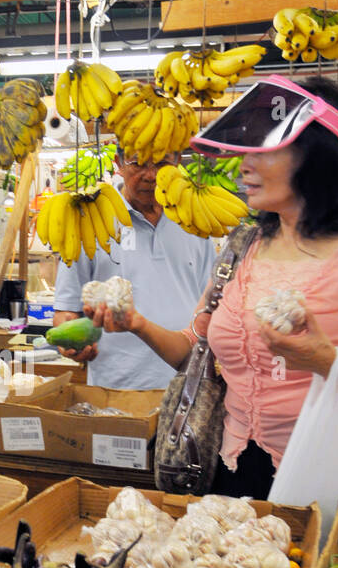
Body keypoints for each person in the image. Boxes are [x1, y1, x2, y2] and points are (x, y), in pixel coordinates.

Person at [85, 76, 338, 499]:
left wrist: (325, 360)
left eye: (267, 150)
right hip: (230, 471)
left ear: (316, 159)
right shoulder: (244, 248)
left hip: (329, 479)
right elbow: (193, 349)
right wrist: (136, 324)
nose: (244, 166)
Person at [52, 148, 216, 389]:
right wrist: (70, 341)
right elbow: (66, 310)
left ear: (178, 162)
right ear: (118, 163)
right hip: (115, 390)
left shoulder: (195, 222)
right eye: (138, 164)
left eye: (162, 163)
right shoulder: (89, 222)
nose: (150, 175)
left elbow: (211, 311)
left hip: (188, 388)